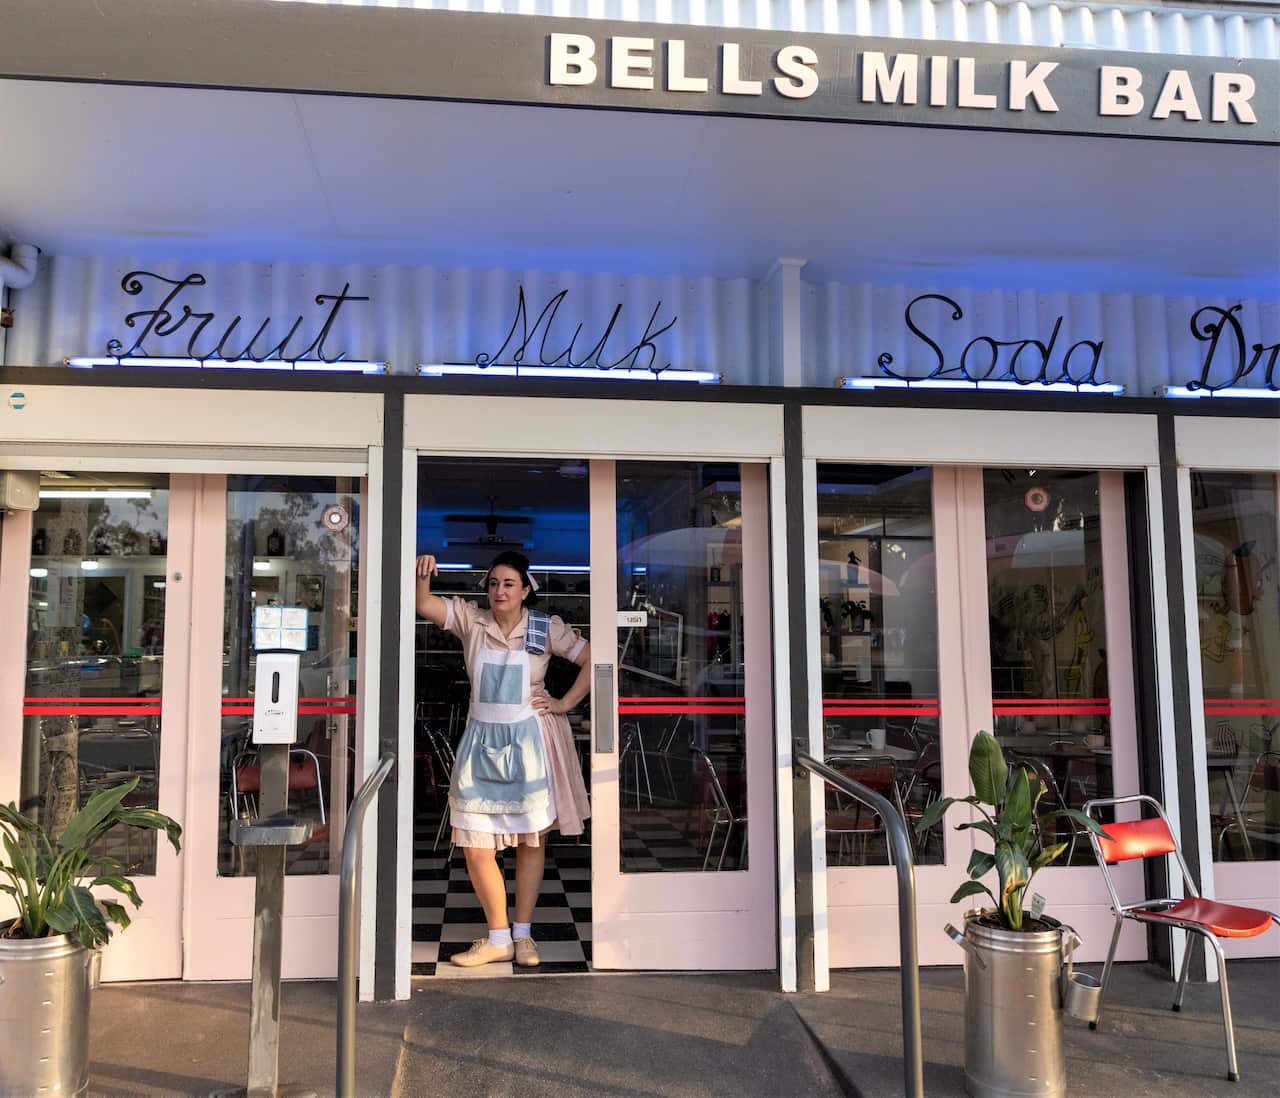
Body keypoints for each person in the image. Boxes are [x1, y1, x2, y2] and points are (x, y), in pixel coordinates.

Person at [415, 550, 591, 967]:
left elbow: (596, 659)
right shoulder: (470, 620)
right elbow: (424, 604)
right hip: (481, 742)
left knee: (532, 841)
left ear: (526, 590)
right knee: (475, 844)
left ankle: (523, 935)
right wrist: (423, 574)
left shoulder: (545, 628)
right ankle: (499, 937)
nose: (499, 590)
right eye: (494, 583)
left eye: (509, 583)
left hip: (530, 742)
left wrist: (564, 703)